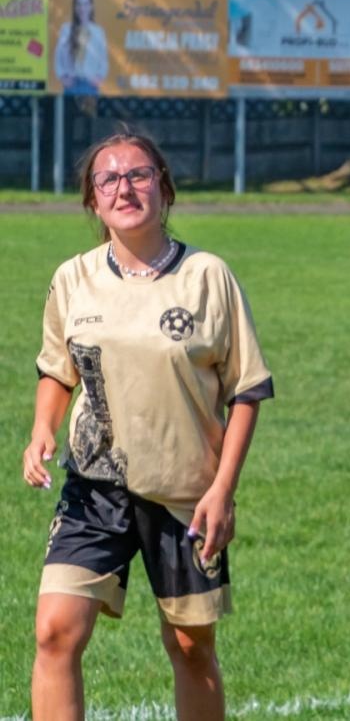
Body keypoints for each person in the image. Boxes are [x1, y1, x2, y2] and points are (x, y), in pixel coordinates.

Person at [23, 129, 274, 721]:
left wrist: (222, 490)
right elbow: (57, 370)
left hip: (186, 492)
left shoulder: (208, 277)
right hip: (95, 485)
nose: (124, 187)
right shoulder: (73, 278)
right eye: (107, 178)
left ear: (164, 188)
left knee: (190, 647)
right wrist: (42, 429)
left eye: (138, 174)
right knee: (55, 631)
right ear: (92, 200)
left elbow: (247, 391)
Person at [54, 0, 109, 95]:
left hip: (90, 85)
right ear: (74, 7)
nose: (82, 8)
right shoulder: (66, 29)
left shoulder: (98, 32)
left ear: (91, 6)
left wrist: (99, 77)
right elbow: (58, 57)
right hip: (71, 84)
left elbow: (104, 59)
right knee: (70, 112)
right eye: (78, 4)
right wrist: (62, 77)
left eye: (85, 4)